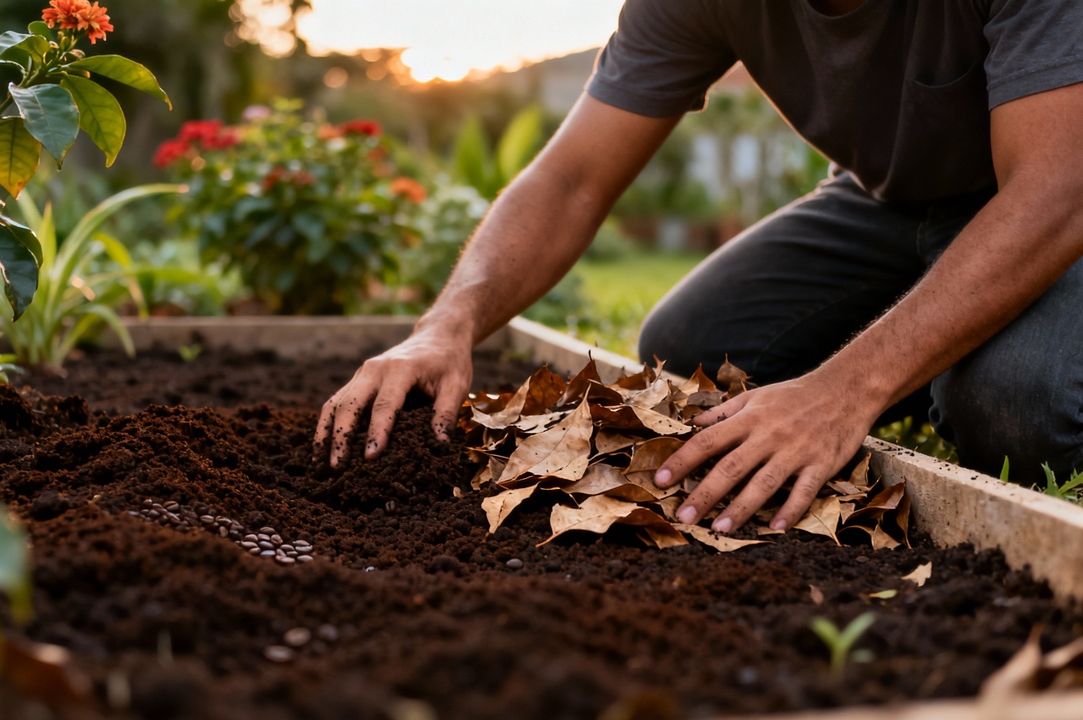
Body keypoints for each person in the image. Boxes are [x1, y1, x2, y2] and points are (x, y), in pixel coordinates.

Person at [314, 0, 1083, 532]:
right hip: (890, 199)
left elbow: (1056, 189)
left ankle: (949, 372)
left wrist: (846, 390)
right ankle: (937, 360)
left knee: (1018, 408)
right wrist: (444, 324)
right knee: (692, 349)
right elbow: (572, 178)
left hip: (1054, 186)